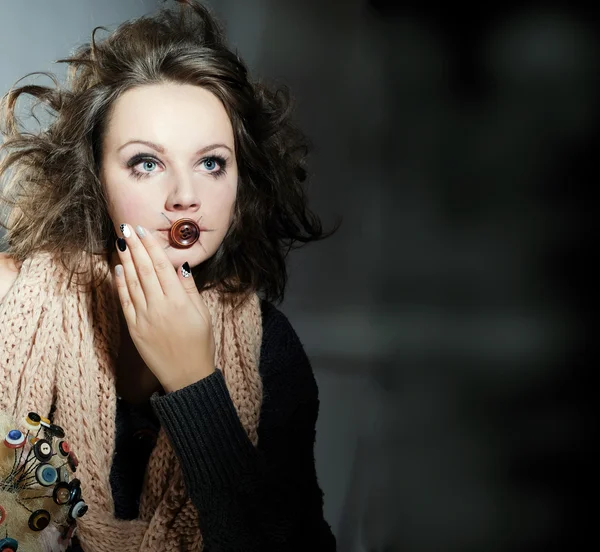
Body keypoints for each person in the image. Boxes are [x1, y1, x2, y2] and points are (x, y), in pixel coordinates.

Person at [0, 1, 337, 550]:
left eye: (211, 163)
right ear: (95, 179)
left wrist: (196, 386)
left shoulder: (269, 349)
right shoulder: (12, 307)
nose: (185, 197)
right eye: (146, 163)